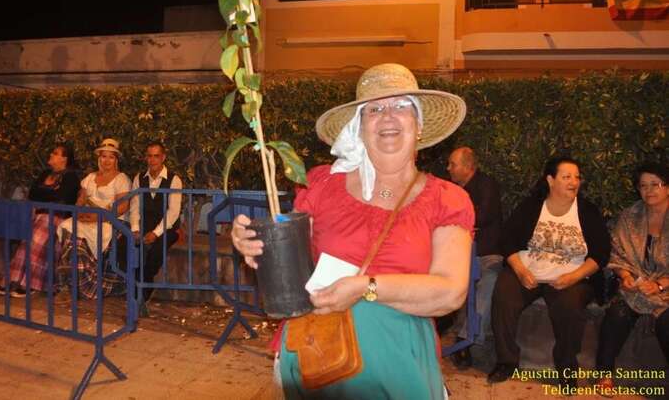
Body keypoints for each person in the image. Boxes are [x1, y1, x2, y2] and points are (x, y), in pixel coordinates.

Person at [232, 63, 473, 399]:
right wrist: (254, 245)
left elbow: (450, 292)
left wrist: (365, 288)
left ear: (418, 125)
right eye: (374, 109)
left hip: (399, 362)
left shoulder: (447, 199)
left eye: (401, 106)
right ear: (359, 127)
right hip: (318, 354)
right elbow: (287, 263)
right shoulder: (321, 185)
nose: (388, 116)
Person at [488, 156, 610, 387]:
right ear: (551, 180)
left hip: (571, 277)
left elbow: (601, 254)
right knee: (504, 295)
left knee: (570, 307)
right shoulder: (532, 206)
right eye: (566, 177)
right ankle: (506, 361)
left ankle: (566, 368)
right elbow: (507, 241)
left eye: (577, 177)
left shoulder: (587, 211)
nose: (573, 182)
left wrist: (573, 277)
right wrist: (520, 270)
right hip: (528, 271)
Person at [595, 162, 668, 392]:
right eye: (643, 186)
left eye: (655, 184)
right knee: (617, 313)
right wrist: (625, 275)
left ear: (667, 187)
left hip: (666, 291)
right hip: (636, 288)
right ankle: (604, 375)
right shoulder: (630, 216)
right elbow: (617, 254)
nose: (649, 190)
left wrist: (660, 285)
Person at [0, 143, 81, 297]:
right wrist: (50, 194)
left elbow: (62, 198)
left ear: (64, 159)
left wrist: (44, 195)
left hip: (57, 217)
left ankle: (25, 283)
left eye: (55, 153)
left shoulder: (71, 177)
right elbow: (33, 193)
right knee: (27, 242)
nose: (51, 155)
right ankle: (12, 281)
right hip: (39, 215)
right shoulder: (45, 173)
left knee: (33, 241)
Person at [446, 146, 503, 369]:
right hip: (456, 254)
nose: (448, 168)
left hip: (486, 254)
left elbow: (482, 216)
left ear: (468, 167)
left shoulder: (487, 185)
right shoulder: (449, 188)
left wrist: (456, 219)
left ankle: (465, 339)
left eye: (453, 164)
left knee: (489, 282)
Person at [57, 138, 131, 299]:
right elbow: (80, 201)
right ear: (99, 158)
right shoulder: (90, 178)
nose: (107, 161)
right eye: (104, 156)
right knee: (68, 227)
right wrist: (80, 212)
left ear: (116, 160)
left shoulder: (122, 179)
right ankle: (73, 283)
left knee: (78, 239)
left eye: (111, 157)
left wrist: (97, 217)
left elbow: (122, 207)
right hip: (87, 219)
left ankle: (84, 285)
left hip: (110, 221)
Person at [128, 141, 183, 302]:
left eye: (156, 156)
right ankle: (135, 291)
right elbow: (134, 206)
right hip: (145, 225)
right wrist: (135, 228)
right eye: (150, 156)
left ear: (163, 157)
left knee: (156, 252)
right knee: (126, 246)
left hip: (167, 228)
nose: (152, 160)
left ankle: (143, 291)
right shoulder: (139, 178)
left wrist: (156, 233)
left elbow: (173, 212)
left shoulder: (174, 179)